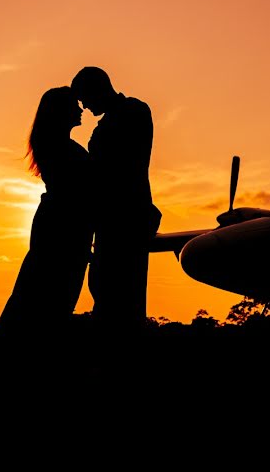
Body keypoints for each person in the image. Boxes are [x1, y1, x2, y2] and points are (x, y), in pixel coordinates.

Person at [70, 66, 161, 337]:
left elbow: (118, 169)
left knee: (122, 294)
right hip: (113, 218)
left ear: (97, 89)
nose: (84, 107)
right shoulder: (116, 118)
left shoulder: (133, 112)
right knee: (105, 288)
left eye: (85, 98)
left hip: (125, 218)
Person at [0, 86, 94, 334]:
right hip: (63, 224)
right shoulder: (60, 147)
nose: (80, 108)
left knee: (42, 289)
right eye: (74, 103)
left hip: (62, 221)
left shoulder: (56, 144)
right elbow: (79, 189)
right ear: (61, 110)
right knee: (49, 291)